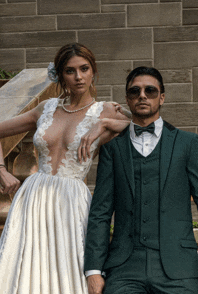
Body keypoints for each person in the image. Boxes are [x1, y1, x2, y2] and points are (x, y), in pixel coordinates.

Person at [0, 43, 130, 294]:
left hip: (71, 200)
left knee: (70, 268)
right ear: (60, 75)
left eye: (84, 69)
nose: (78, 76)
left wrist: (102, 123)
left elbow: (145, 127)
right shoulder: (45, 108)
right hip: (33, 197)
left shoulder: (105, 109)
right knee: (25, 268)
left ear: (93, 72)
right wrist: (2, 170)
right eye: (70, 71)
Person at [84, 66, 198, 294]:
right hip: (124, 268)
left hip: (178, 268)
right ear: (127, 99)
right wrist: (94, 270)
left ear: (162, 97)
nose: (142, 96)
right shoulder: (112, 149)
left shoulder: (187, 143)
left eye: (150, 90)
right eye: (135, 91)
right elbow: (100, 211)